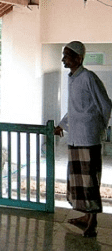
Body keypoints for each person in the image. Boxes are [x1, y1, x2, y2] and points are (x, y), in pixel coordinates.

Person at [54, 41, 112, 237]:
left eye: (67, 55)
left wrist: (98, 127)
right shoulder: (72, 78)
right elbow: (74, 109)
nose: (63, 59)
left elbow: (105, 104)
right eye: (64, 55)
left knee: (90, 181)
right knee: (77, 179)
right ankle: (86, 216)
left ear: (79, 58)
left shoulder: (88, 77)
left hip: (88, 138)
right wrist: (62, 125)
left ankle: (93, 222)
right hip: (76, 138)